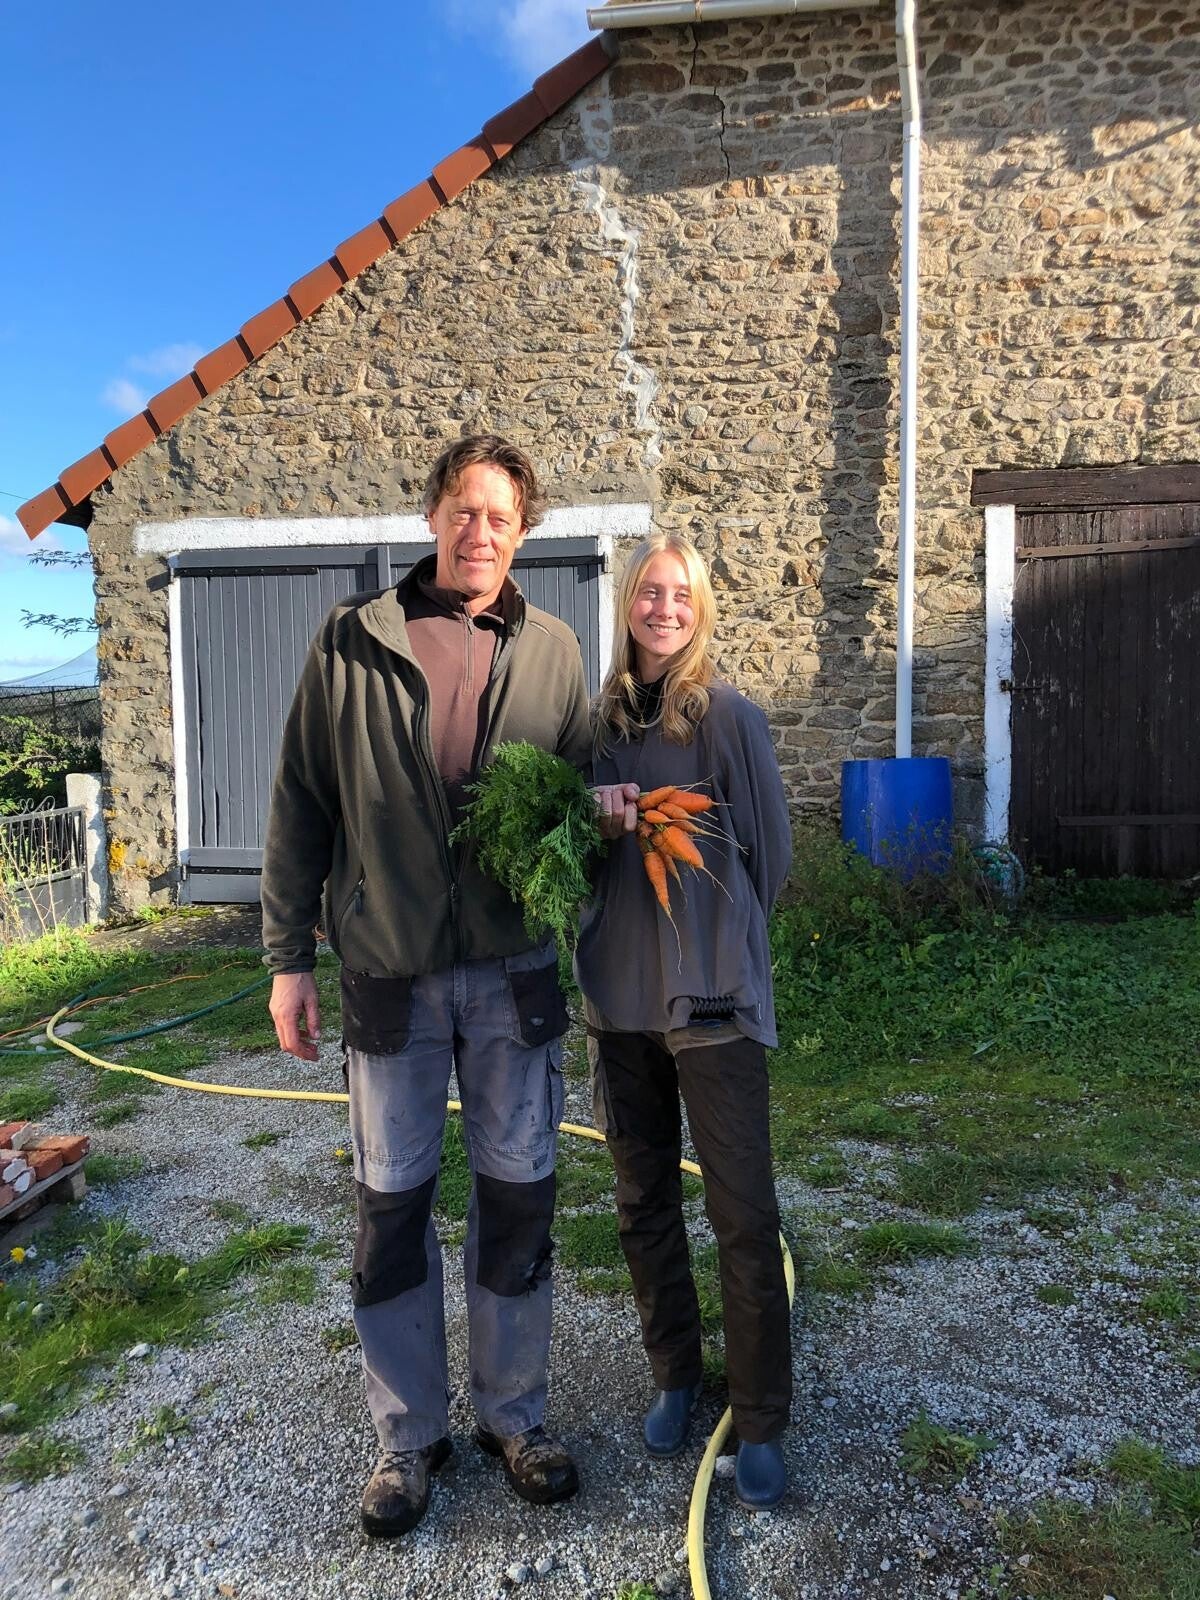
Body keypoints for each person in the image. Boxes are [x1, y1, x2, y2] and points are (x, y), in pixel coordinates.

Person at [261, 435, 624, 1538]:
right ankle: (406, 1437)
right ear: (433, 516)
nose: (481, 533)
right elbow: (300, 804)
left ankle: (514, 1417)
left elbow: (582, 795)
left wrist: (599, 817)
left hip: (514, 972)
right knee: (393, 1208)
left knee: (519, 1198)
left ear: (525, 534)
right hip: (389, 975)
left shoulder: (557, 651)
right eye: (465, 511)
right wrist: (287, 959)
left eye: (502, 519)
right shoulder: (351, 643)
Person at [576, 532, 794, 1509]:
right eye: (648, 592)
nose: (663, 607)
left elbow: (773, 859)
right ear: (628, 604)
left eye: (681, 594)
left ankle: (761, 1416)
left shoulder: (731, 720)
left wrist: (719, 940)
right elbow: (567, 859)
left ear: (701, 610)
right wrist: (594, 819)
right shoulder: (598, 732)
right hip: (619, 1003)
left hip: (712, 1003)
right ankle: (675, 1371)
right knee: (643, 1201)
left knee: (743, 1215)